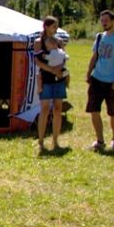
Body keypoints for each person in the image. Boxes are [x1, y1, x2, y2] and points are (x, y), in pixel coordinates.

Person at [86, 10, 114, 152]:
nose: (104, 23)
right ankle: (100, 140)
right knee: (94, 110)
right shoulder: (99, 37)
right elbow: (94, 56)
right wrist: (89, 73)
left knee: (113, 112)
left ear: (113, 21)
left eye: (106, 20)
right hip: (97, 78)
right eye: (102, 20)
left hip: (112, 81)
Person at [32, 17, 67, 152]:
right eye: (53, 26)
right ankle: (41, 141)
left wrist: (59, 69)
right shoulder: (38, 42)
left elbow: (63, 57)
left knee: (58, 109)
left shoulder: (59, 41)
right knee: (45, 109)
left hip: (59, 79)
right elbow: (38, 61)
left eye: (57, 27)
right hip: (45, 78)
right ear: (46, 26)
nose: (56, 29)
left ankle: (55, 140)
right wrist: (52, 70)